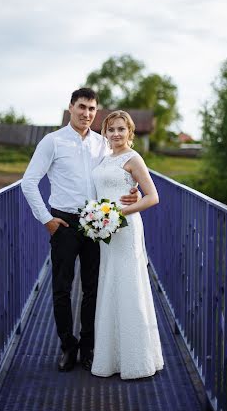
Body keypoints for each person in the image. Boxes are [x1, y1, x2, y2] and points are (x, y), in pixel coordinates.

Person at [21, 88, 139, 372]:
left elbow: (119, 171)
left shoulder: (103, 143)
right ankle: (67, 347)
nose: (87, 114)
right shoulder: (52, 142)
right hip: (62, 222)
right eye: (82, 107)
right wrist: (46, 219)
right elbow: (28, 182)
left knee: (93, 288)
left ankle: (88, 348)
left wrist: (132, 191)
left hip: (96, 223)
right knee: (61, 288)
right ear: (71, 107)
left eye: (92, 109)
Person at [91, 110, 164, 380]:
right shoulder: (104, 158)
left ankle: (137, 359)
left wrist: (118, 214)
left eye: (121, 129)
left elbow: (153, 197)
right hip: (106, 232)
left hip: (125, 228)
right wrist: (98, 217)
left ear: (129, 132)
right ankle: (110, 357)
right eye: (111, 130)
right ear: (105, 133)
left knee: (128, 285)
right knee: (110, 284)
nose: (116, 134)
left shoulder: (134, 158)